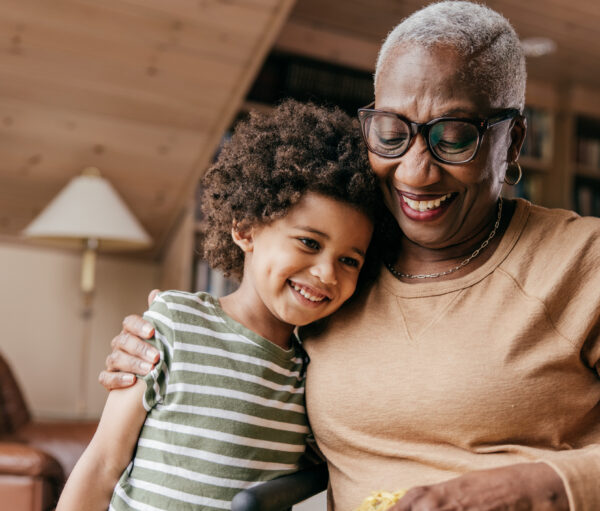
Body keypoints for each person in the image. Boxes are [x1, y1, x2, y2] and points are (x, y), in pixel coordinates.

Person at [99, 2, 600, 510]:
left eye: (453, 137)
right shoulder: (343, 274)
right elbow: (242, 355)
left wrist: (534, 487)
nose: (415, 172)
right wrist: (163, 344)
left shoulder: (584, 261)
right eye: (391, 133)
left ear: (512, 141)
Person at [57, 99, 380, 511]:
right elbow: (103, 462)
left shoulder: (311, 375)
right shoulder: (173, 323)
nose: (327, 273)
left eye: (349, 260)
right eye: (309, 243)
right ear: (245, 229)